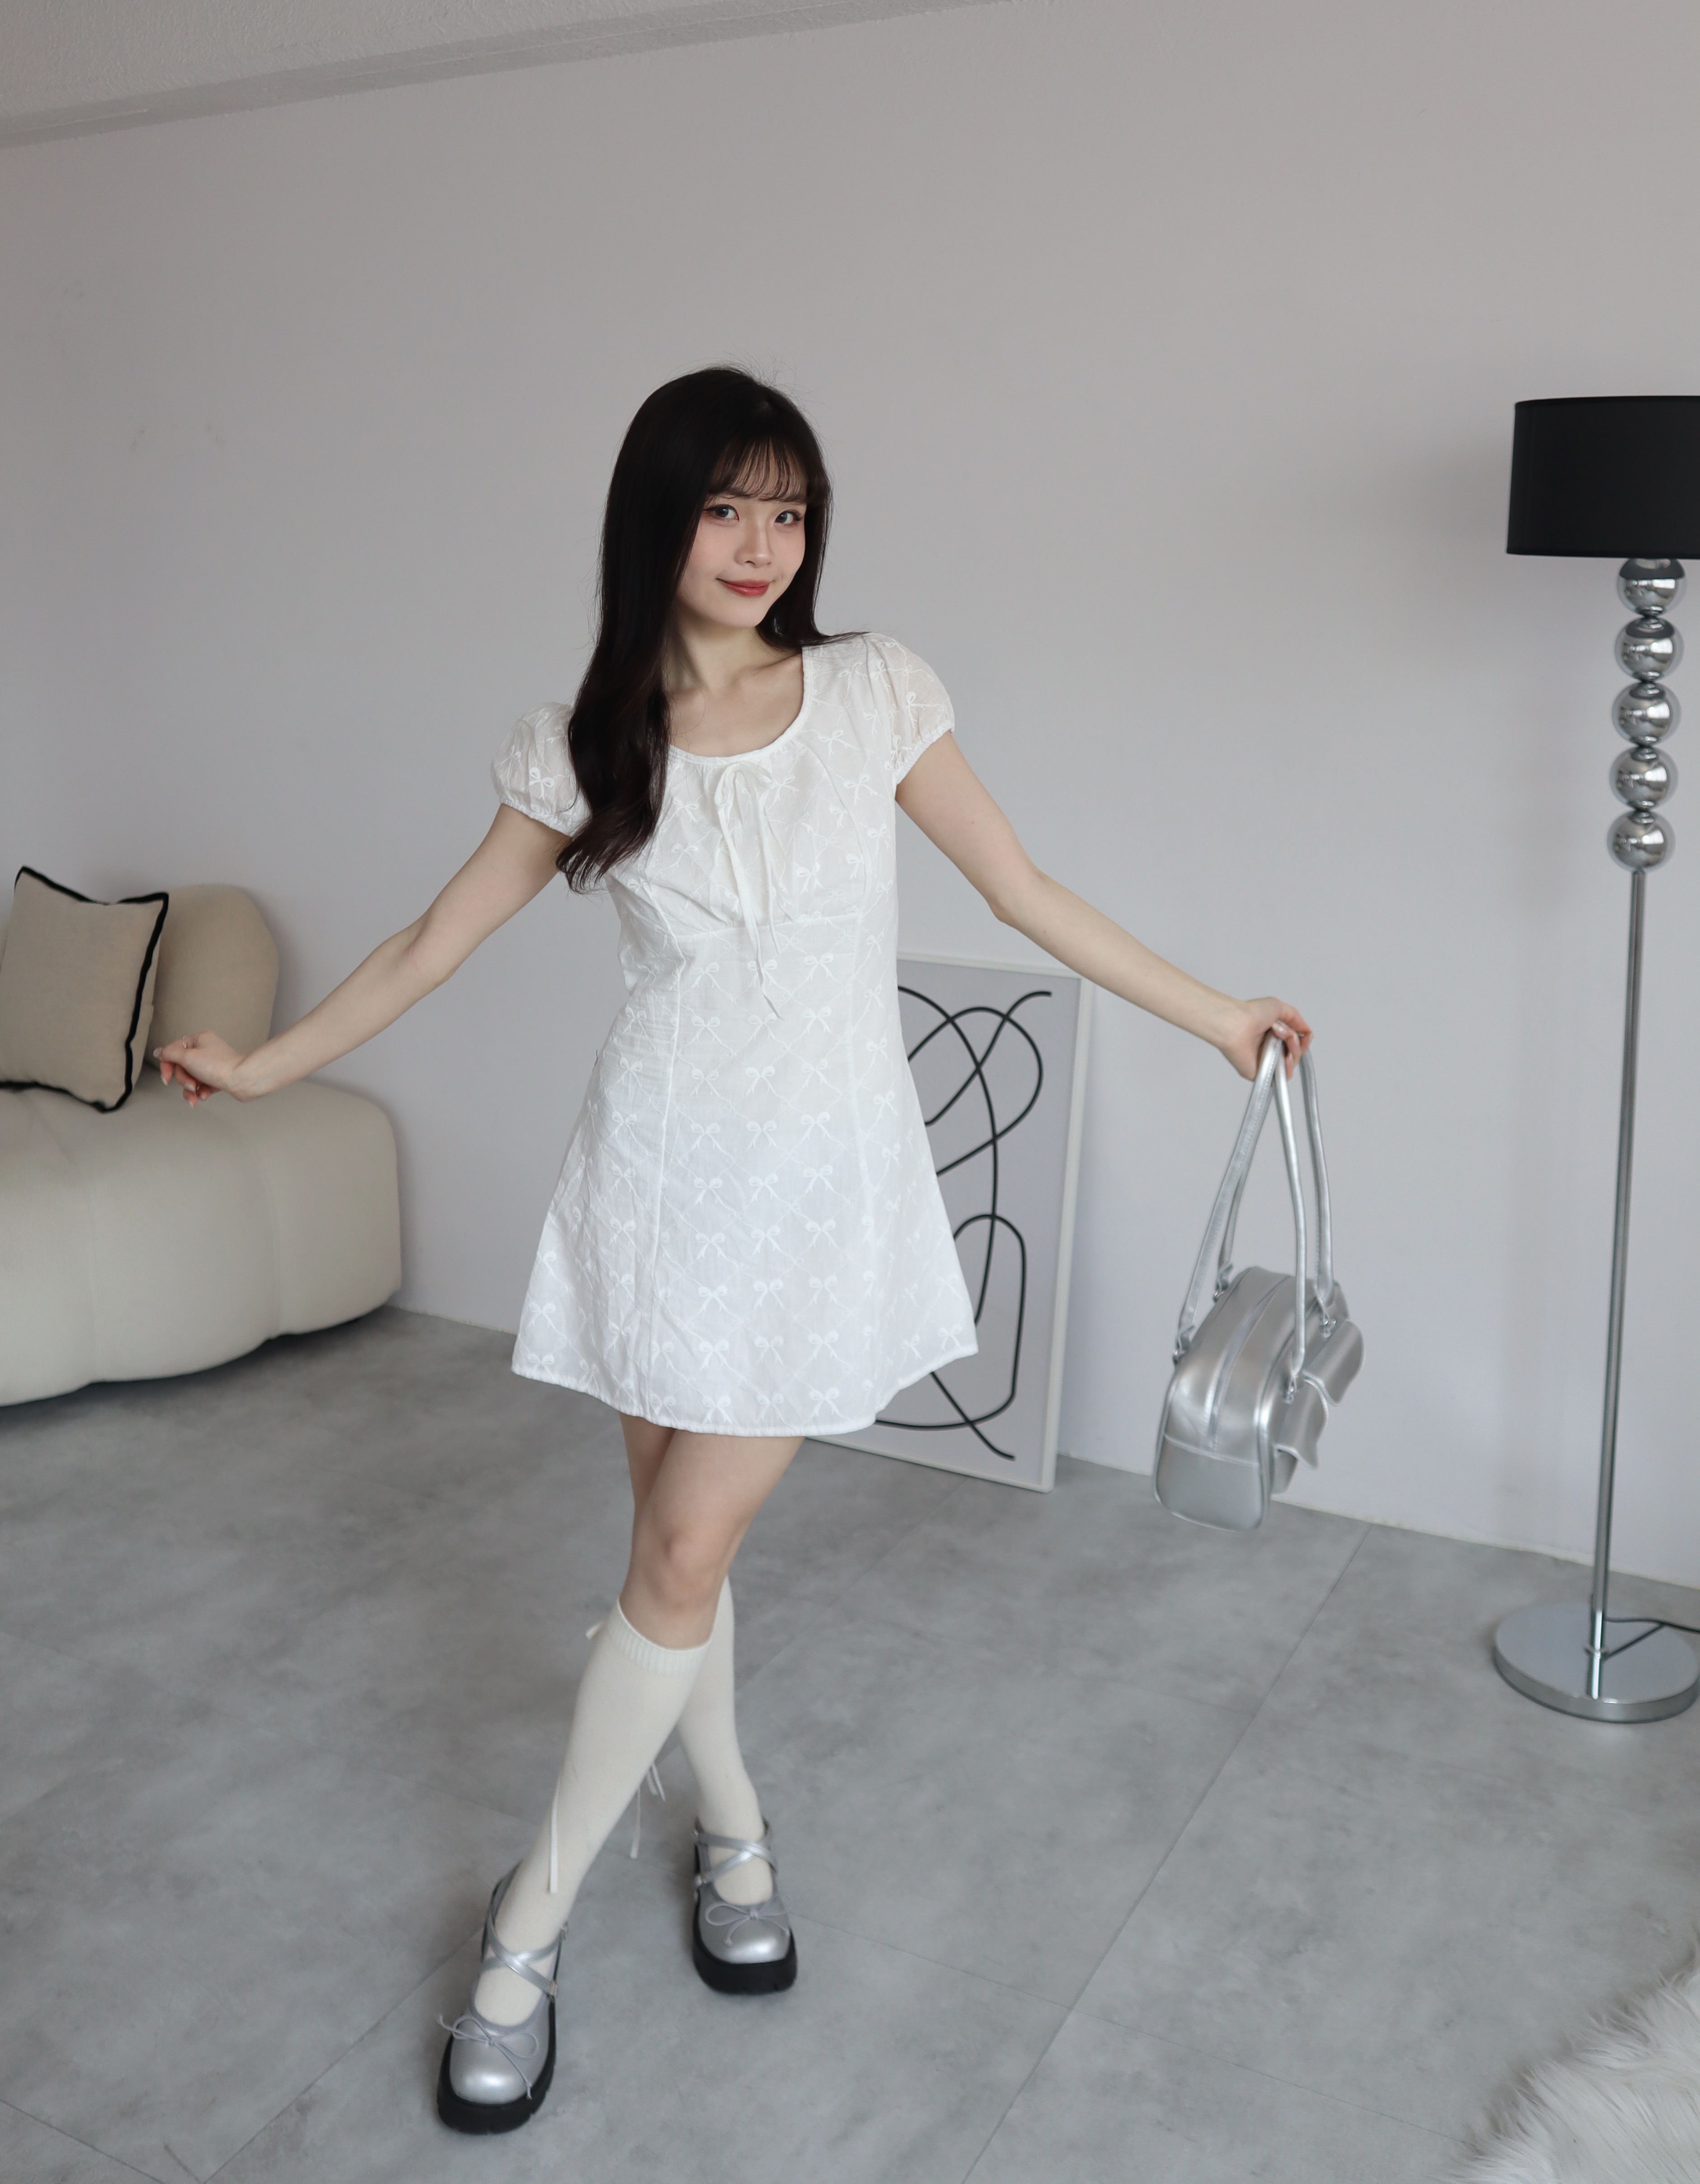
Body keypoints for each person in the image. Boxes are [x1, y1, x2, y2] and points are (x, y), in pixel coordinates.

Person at [157, 366, 1311, 2135]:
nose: (764, 544)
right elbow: (426, 945)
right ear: (660, 521)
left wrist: (1214, 1012)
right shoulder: (584, 744)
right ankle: (740, 1833)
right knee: (671, 1562)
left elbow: (1023, 891)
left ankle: (526, 1926)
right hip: (655, 1191)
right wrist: (264, 1064)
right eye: (727, 509)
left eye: (789, 511)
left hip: (824, 1198)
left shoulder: (873, 693)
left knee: (683, 1550)